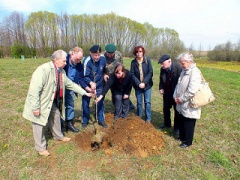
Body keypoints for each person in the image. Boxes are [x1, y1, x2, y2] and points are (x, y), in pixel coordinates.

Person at [22, 50, 93, 156]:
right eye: (64, 61)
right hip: (40, 102)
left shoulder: (61, 71)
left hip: (51, 101)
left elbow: (70, 84)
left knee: (56, 115)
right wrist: (35, 107)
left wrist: (84, 93)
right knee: (38, 124)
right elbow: (34, 91)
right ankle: (40, 148)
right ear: (56, 60)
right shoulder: (43, 70)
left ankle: (58, 136)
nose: (66, 63)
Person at [173, 52, 202, 148]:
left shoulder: (195, 72)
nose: (181, 65)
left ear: (189, 62)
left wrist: (181, 99)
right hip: (181, 101)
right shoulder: (184, 70)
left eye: (183, 63)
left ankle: (188, 141)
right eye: (181, 63)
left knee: (188, 122)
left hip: (189, 102)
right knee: (181, 119)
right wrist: (175, 95)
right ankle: (182, 137)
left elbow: (192, 90)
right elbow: (178, 84)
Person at [82, 45, 108, 128]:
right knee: (85, 103)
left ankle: (101, 120)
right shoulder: (87, 61)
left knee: (100, 102)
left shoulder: (103, 59)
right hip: (88, 85)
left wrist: (105, 74)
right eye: (95, 55)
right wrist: (90, 83)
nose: (97, 57)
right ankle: (85, 120)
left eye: (98, 55)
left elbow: (104, 69)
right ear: (90, 53)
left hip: (100, 84)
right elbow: (85, 76)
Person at [103, 43, 135, 110]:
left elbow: (121, 66)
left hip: (116, 77)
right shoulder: (102, 56)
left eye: (112, 54)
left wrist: (121, 75)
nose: (110, 55)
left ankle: (127, 106)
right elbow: (99, 67)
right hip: (106, 78)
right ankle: (102, 108)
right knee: (104, 91)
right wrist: (104, 74)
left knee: (118, 94)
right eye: (108, 53)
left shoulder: (118, 55)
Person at [158, 54, 182, 138]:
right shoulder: (163, 69)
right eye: (161, 64)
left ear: (169, 61)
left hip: (176, 94)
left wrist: (178, 94)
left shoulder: (178, 68)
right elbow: (161, 80)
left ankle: (177, 128)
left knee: (177, 111)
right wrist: (161, 88)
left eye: (163, 63)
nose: (162, 65)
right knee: (166, 109)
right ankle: (167, 124)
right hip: (167, 93)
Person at [130, 45, 153, 123]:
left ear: (143, 52)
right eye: (137, 52)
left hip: (147, 85)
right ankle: (139, 117)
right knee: (139, 102)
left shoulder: (147, 60)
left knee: (147, 102)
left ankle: (148, 118)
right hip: (138, 86)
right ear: (135, 53)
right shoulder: (133, 62)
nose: (139, 53)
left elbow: (150, 72)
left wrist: (144, 82)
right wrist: (138, 83)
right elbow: (132, 74)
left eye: (140, 51)